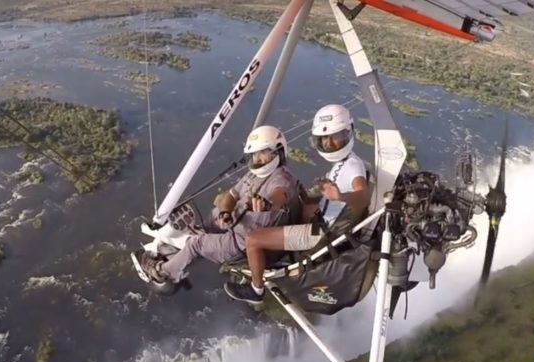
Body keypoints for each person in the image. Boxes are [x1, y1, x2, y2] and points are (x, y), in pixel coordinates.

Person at [223, 104, 371, 304]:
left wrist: (340, 196)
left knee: (253, 239)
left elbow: (363, 196)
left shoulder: (354, 166)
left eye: (335, 136)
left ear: (349, 132)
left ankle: (256, 291)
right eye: (324, 139)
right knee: (299, 207)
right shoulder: (345, 163)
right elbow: (334, 199)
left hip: (320, 232)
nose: (329, 143)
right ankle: (278, 251)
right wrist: (310, 197)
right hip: (322, 221)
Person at [135, 125, 302, 285]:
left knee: (196, 244)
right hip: (234, 225)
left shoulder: (282, 179)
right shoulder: (254, 176)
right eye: (255, 154)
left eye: (263, 153)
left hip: (242, 244)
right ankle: (185, 253)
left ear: (278, 151)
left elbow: (280, 195)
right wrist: (225, 213)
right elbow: (231, 195)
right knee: (214, 216)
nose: (257, 159)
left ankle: (161, 272)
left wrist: (267, 203)